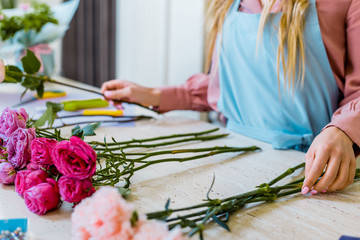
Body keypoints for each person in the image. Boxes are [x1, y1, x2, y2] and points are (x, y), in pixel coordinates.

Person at [101, 0, 360, 195]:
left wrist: (342, 131)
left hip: (311, 174)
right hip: (233, 163)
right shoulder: (230, 5)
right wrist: (152, 95)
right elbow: (223, 86)